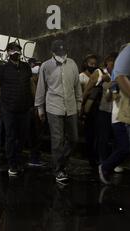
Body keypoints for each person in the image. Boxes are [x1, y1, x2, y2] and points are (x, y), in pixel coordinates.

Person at [35, 40, 82, 184]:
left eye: (63, 52)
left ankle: (62, 162)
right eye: (58, 53)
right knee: (57, 140)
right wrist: (40, 108)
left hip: (71, 107)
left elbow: (77, 86)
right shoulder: (46, 66)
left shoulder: (72, 64)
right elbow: (41, 87)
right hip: (54, 107)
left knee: (74, 139)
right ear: (53, 52)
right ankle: (59, 170)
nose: (62, 55)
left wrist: (79, 103)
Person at [0, 42, 33, 176]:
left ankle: (19, 159)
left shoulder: (26, 67)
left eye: (18, 50)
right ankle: (12, 163)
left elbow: (31, 85)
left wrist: (36, 103)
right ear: (8, 52)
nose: (16, 52)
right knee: (10, 135)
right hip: (8, 108)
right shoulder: (2, 69)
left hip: (25, 108)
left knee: (23, 136)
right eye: (13, 50)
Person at [99, 44, 130, 184]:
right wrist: (113, 89)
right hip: (120, 118)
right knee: (124, 148)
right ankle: (105, 167)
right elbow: (110, 98)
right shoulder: (117, 78)